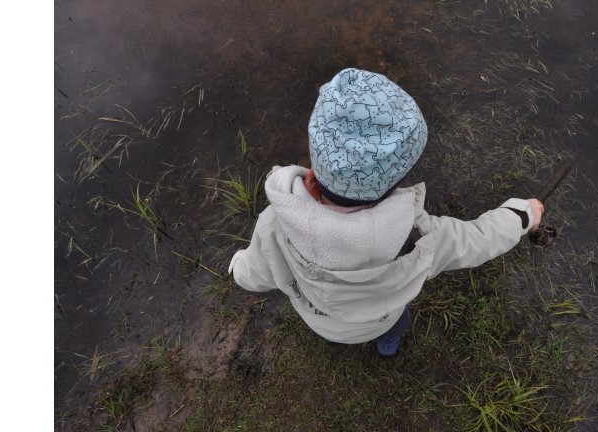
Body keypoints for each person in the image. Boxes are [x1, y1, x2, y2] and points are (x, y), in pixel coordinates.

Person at [228, 68, 544, 357]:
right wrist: (523, 214)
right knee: (395, 326)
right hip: (381, 321)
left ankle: (336, 339)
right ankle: (388, 345)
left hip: (322, 322)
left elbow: (252, 273)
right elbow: (478, 239)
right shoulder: (420, 237)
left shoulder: (275, 224)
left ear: (317, 162)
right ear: (393, 180)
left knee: (332, 333)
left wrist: (237, 267)